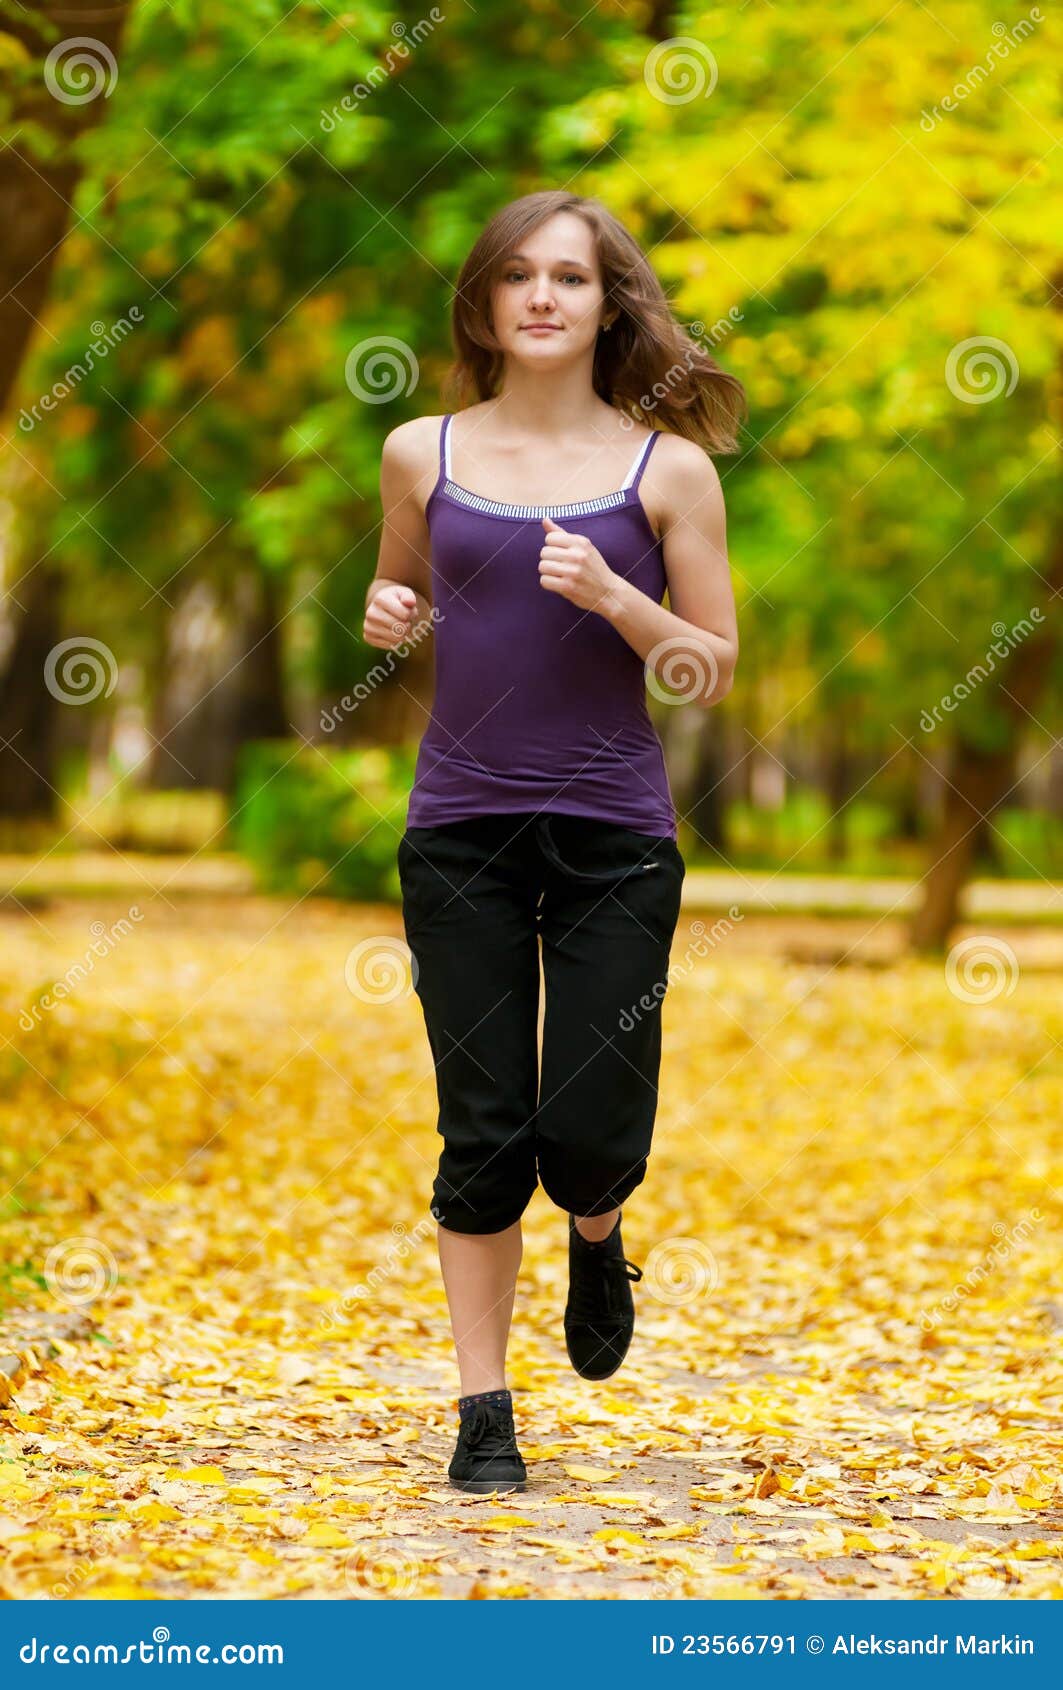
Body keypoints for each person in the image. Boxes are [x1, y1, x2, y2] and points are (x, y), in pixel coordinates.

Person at [363, 189, 743, 1494]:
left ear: (604, 305)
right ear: (483, 301)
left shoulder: (666, 471)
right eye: (516, 274)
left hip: (615, 838)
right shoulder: (422, 450)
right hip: (459, 829)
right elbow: (409, 587)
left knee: (584, 1126)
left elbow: (709, 671)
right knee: (482, 1131)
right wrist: (388, 608)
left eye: (569, 278)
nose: (541, 295)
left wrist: (616, 593)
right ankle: (484, 1409)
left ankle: (597, 1223)